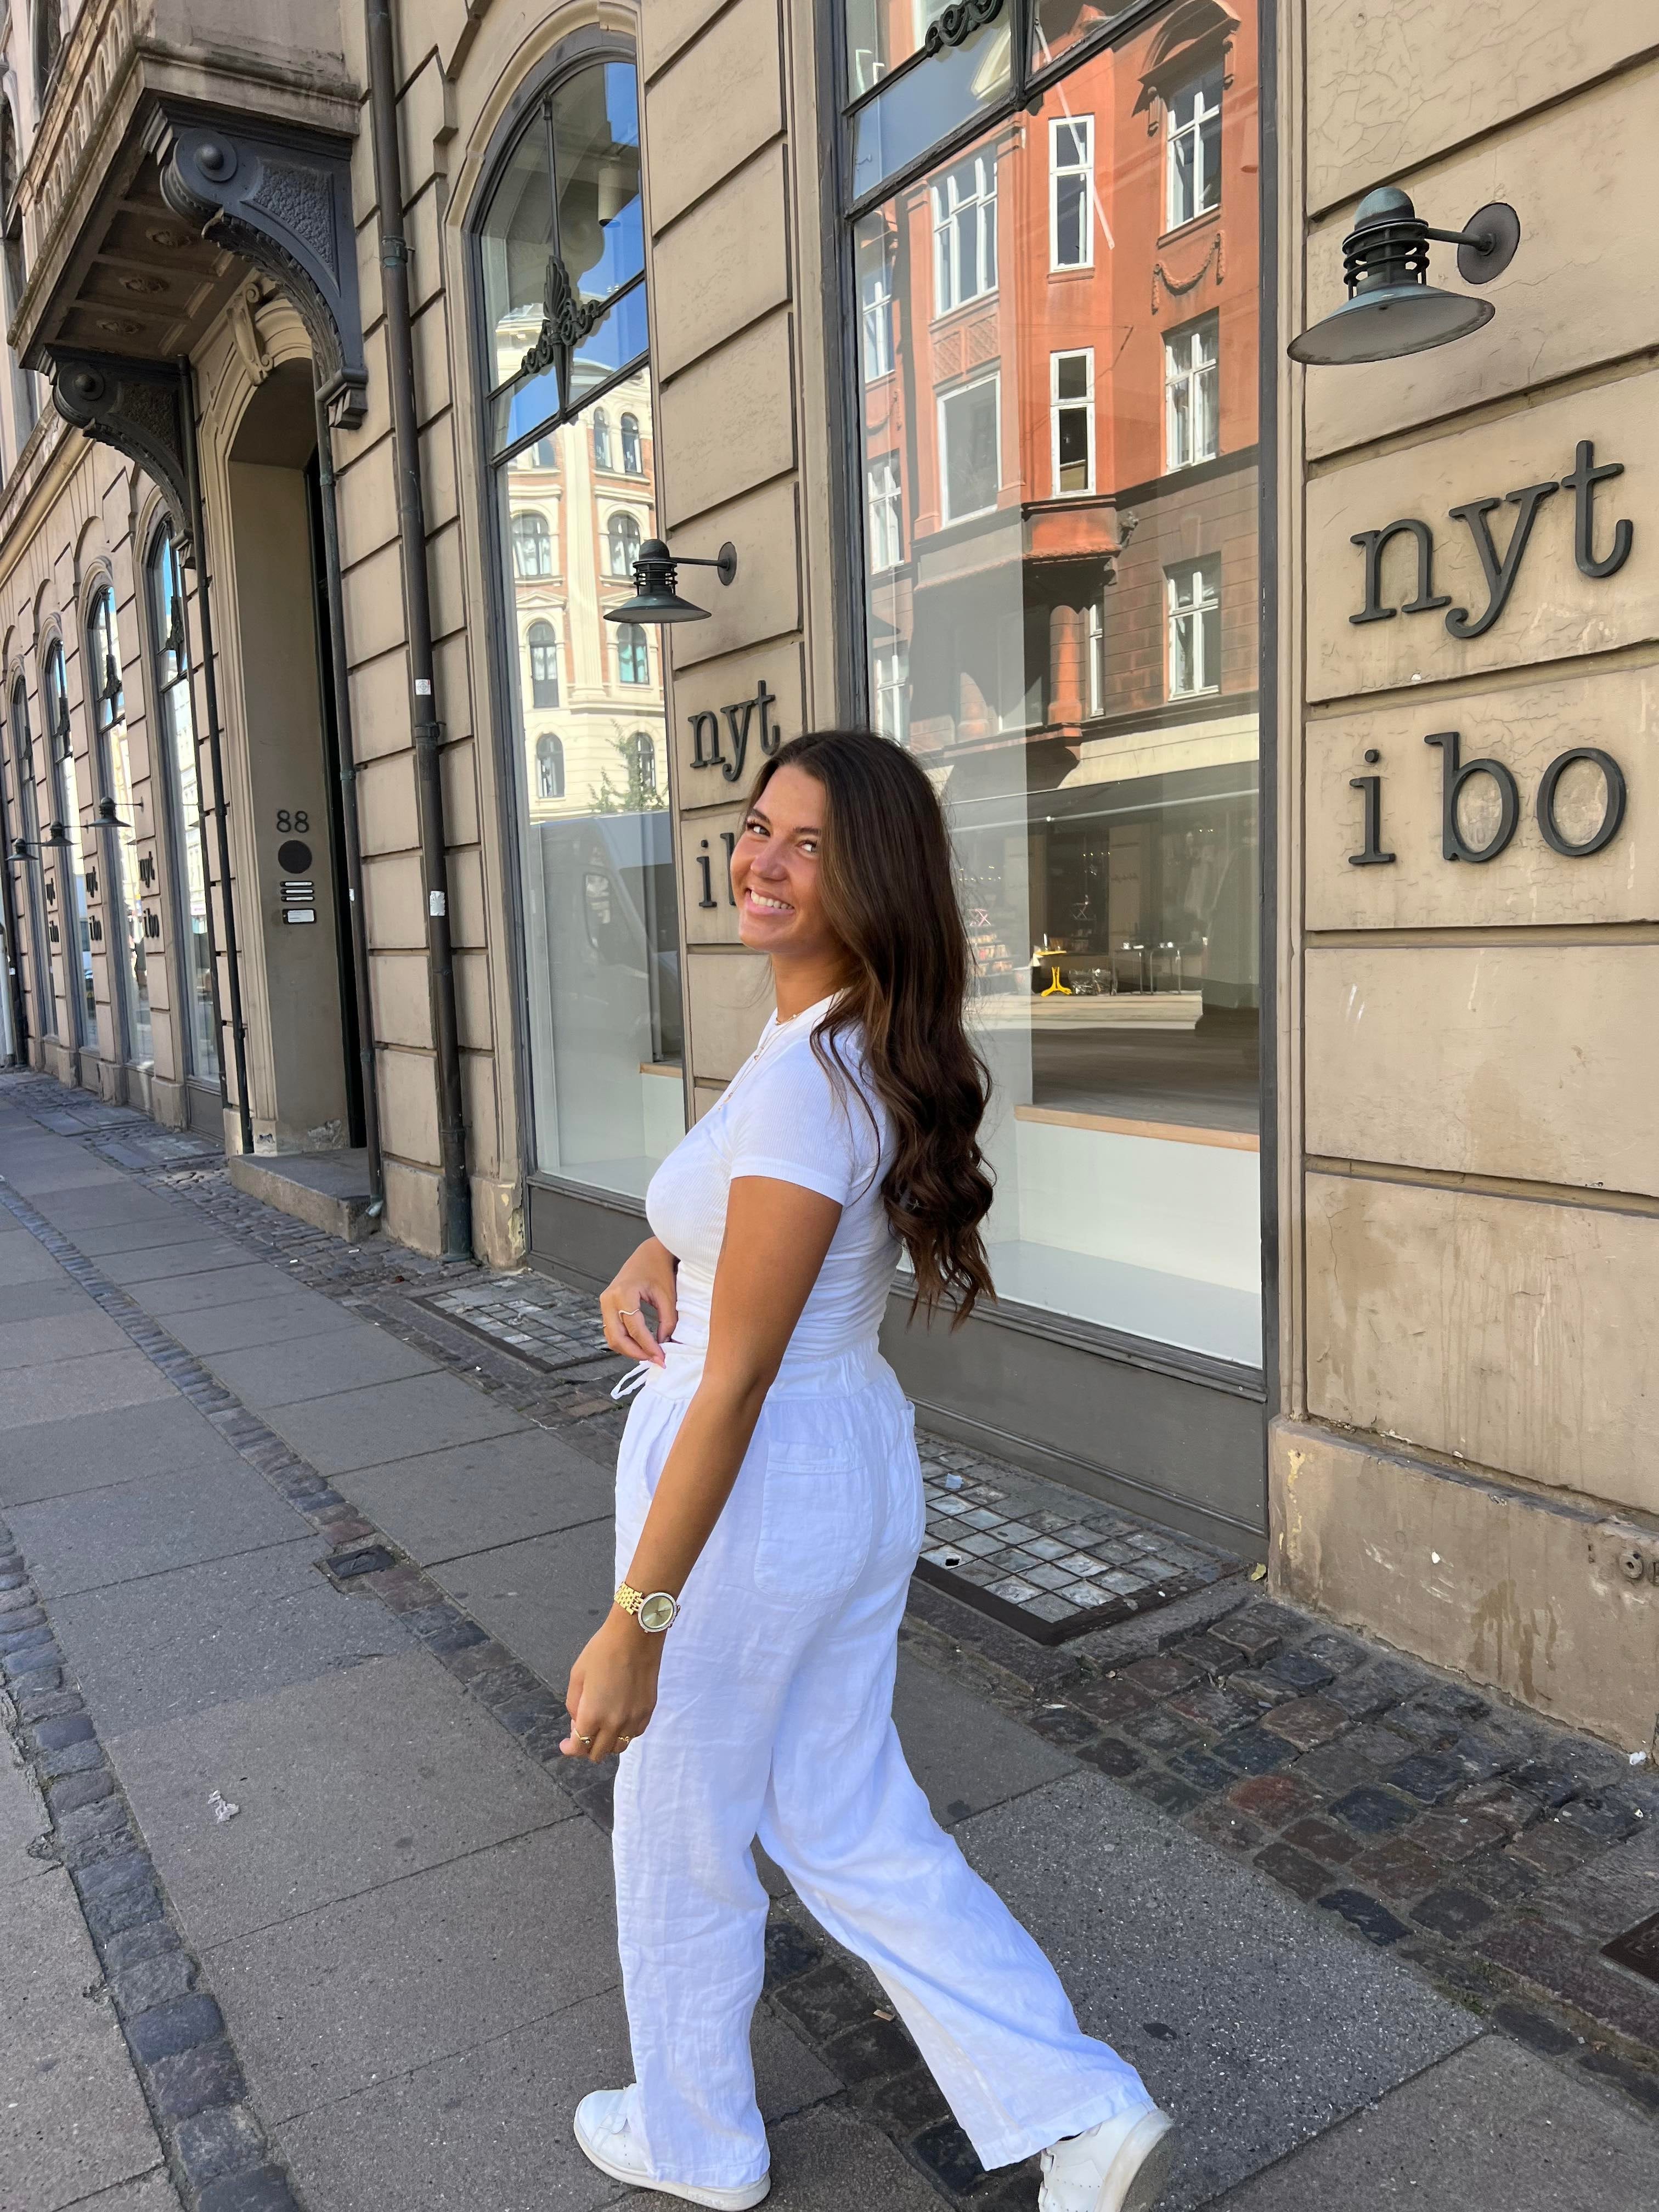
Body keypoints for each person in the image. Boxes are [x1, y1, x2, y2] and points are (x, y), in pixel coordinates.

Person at [562, 731, 1175, 2212]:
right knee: (841, 1812)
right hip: (834, 1466)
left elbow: (738, 1374)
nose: (760, 860)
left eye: (809, 845)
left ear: (874, 878)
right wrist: (658, 1248)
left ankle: (694, 2137)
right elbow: (760, 1227)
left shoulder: (809, 1079)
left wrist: (639, 1619)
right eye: (756, 826)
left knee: (680, 1818)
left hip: (753, 1486)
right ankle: (1082, 2110)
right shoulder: (836, 1042)